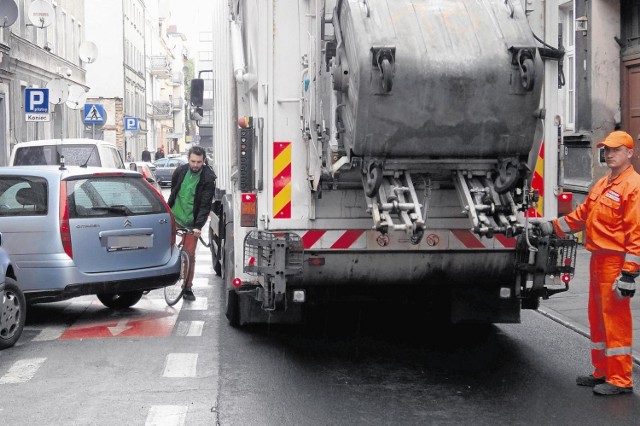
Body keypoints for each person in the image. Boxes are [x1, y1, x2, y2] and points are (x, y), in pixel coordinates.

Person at [535, 130, 640, 396]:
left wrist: (629, 273)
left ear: (630, 153)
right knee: (598, 318)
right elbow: (581, 216)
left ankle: (620, 380)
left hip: (615, 263)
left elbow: (636, 232)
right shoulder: (604, 183)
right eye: (607, 149)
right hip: (598, 259)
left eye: (616, 150)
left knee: (615, 321)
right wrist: (551, 227)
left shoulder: (633, 186)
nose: (610, 154)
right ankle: (602, 371)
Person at [167, 146, 216, 301]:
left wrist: (198, 226)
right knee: (165, 248)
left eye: (199, 162)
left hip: (192, 223)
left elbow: (205, 205)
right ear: (188, 159)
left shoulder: (208, 179)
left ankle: (187, 287)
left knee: (190, 254)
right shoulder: (180, 172)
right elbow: (173, 193)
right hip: (175, 217)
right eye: (193, 161)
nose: (195, 165)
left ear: (204, 161)